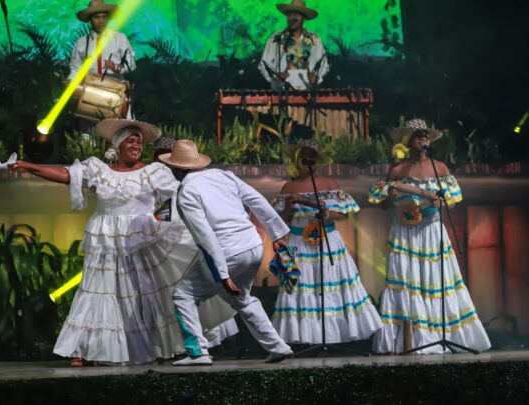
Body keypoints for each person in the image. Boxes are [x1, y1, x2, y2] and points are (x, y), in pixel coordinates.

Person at [11, 119, 232, 365]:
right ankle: (85, 349)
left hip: (142, 237)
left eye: (139, 141)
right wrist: (28, 166)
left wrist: (168, 219)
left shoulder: (154, 172)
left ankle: (171, 345)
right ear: (118, 145)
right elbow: (66, 175)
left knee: (150, 293)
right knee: (98, 292)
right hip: (106, 239)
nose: (136, 144)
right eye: (131, 140)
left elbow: (179, 195)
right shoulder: (99, 169)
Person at [160, 140, 294, 365]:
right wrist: (278, 234)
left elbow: (206, 237)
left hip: (229, 252)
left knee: (183, 295)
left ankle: (198, 353)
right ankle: (278, 346)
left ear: (176, 169)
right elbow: (257, 200)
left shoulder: (186, 191)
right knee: (242, 299)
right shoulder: (223, 175)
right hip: (253, 246)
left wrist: (222, 274)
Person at [369, 118, 491, 354]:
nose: (423, 138)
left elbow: (452, 204)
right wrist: (391, 196)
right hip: (405, 233)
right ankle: (409, 340)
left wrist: (440, 201)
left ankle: (443, 336)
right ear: (408, 141)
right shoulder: (397, 170)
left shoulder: (440, 168)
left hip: (432, 230)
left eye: (425, 134)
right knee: (407, 282)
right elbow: (383, 205)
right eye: (418, 135)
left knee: (437, 281)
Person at [270, 139, 381, 345]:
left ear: (317, 159)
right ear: (297, 159)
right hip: (298, 241)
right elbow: (280, 220)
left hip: (327, 240)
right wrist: (288, 207)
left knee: (330, 285)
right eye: (304, 155)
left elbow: (344, 214)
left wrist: (328, 214)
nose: (308, 159)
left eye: (312, 155)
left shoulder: (329, 184)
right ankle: (304, 338)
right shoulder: (288, 186)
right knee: (302, 288)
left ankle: (332, 337)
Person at [258, 0, 329, 91]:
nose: (292, 18)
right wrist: (274, 77)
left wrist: (317, 77)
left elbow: (324, 64)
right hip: (282, 92)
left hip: (308, 92)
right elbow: (263, 64)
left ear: (304, 18)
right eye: (289, 15)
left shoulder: (315, 39)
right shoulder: (276, 38)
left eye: (296, 15)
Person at [69, 0, 136, 81]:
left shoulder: (120, 38)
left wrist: (115, 67)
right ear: (90, 20)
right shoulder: (81, 42)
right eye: (96, 17)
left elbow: (131, 65)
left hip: (116, 87)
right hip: (91, 88)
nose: (101, 21)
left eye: (104, 17)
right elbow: (75, 69)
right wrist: (70, 81)